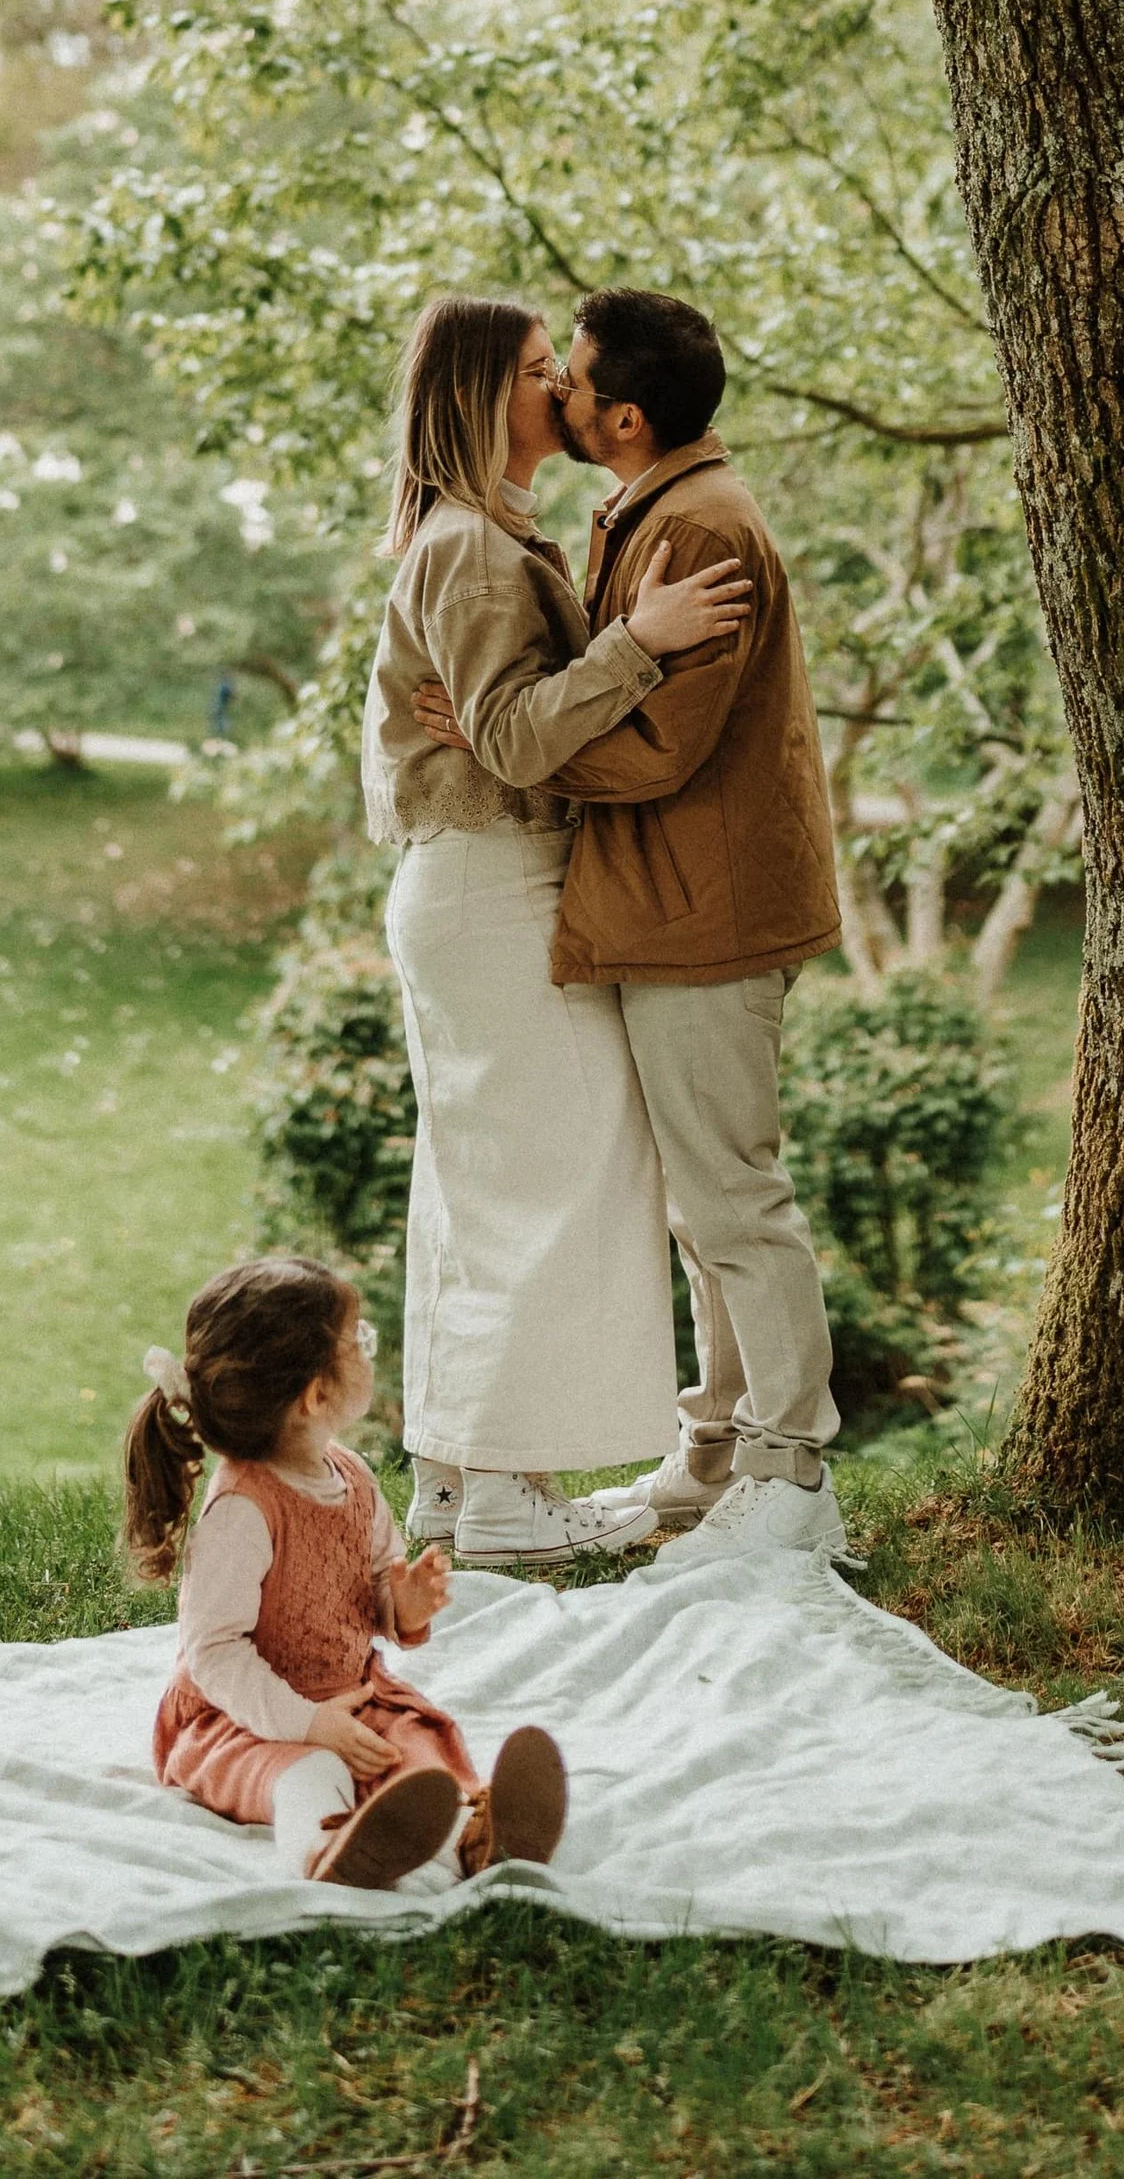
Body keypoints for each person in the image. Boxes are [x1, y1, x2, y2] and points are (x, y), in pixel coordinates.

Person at [416, 287, 848, 1560]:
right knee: (698, 1201)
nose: (551, 392)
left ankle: (789, 1473)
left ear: (620, 416)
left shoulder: (701, 526)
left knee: (735, 1197)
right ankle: (712, 1455)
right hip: (667, 906)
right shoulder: (641, 508)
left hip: (705, 910)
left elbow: (655, 751)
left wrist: (519, 752)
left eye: (570, 375)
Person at [362, 291, 755, 1566]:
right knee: (547, 1175)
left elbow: (505, 721)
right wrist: (637, 641)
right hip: (494, 882)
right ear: (485, 395)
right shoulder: (472, 548)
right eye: (540, 372)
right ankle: (505, 1493)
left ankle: (454, 1479)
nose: (564, 392)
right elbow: (522, 734)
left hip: (484, 880)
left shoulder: (483, 535)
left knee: (484, 1181)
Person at [125, 1253, 573, 1889]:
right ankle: (324, 1853)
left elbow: (371, 1585)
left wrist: (403, 1603)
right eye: (358, 1341)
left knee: (418, 1761)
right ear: (316, 1395)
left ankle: (476, 1842)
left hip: (355, 1698)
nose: (370, 1350)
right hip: (239, 1720)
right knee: (311, 1774)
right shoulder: (244, 1510)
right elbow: (213, 1654)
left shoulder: (352, 1478)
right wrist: (309, 1726)